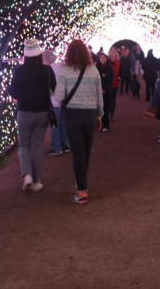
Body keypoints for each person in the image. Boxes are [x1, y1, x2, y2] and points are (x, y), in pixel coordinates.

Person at [54, 39, 104, 205]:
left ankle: (82, 191)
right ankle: (81, 182)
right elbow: (99, 96)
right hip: (90, 115)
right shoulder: (94, 70)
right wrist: (100, 115)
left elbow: (59, 96)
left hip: (73, 115)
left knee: (77, 153)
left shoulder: (64, 71)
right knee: (86, 151)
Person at [8, 39, 55, 192]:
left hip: (24, 111)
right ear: (39, 53)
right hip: (42, 112)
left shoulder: (19, 71)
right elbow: (54, 88)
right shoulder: (47, 70)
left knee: (23, 145)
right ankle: (36, 181)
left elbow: (13, 92)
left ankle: (27, 175)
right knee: (36, 146)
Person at [43, 50, 70, 156]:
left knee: (54, 125)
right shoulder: (61, 67)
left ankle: (56, 147)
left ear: (46, 59)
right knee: (62, 124)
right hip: (63, 100)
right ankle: (65, 145)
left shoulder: (48, 70)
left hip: (53, 102)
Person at [96, 52, 114, 132]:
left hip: (105, 92)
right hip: (97, 92)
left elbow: (110, 81)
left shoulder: (109, 68)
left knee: (105, 109)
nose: (102, 59)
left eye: (104, 58)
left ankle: (106, 125)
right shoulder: (97, 68)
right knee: (98, 109)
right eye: (101, 58)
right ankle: (99, 125)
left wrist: (105, 89)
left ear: (107, 59)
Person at [107, 47, 121, 121]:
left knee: (112, 100)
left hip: (115, 84)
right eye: (112, 54)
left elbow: (120, 74)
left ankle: (111, 114)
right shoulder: (107, 63)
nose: (113, 56)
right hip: (107, 85)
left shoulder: (118, 63)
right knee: (107, 99)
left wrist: (118, 80)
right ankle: (108, 112)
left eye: (114, 54)